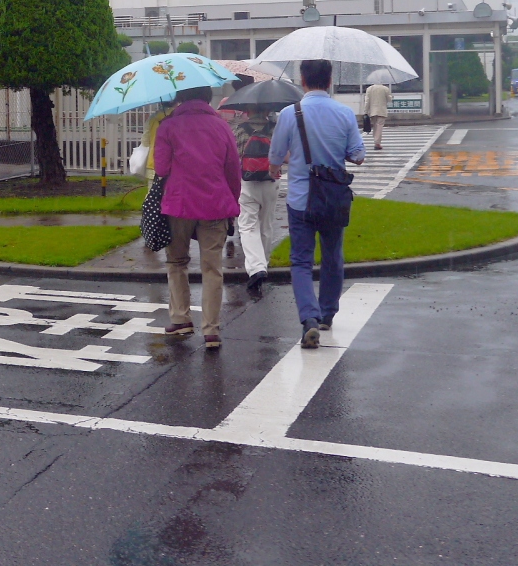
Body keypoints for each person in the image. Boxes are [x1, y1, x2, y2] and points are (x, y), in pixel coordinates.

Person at [269, 59, 365, 349]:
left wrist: (281, 167)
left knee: (300, 260)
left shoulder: (289, 114)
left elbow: (275, 157)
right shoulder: (344, 113)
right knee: (333, 255)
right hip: (334, 198)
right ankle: (326, 314)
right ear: (330, 79)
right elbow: (358, 155)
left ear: (302, 79)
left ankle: (308, 318)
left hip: (300, 199)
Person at [154, 85, 241, 350]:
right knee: (212, 268)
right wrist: (232, 203)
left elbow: (161, 168)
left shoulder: (168, 126)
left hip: (179, 203)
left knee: (177, 261)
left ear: (180, 96)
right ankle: (211, 331)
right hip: (215, 203)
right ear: (207, 96)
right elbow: (233, 169)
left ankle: (181, 318)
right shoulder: (221, 126)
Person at [232, 107, 280, 298]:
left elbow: (235, 157)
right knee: (266, 224)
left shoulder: (240, 129)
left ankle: (256, 267)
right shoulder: (275, 128)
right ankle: (264, 263)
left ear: (248, 110)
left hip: (247, 182)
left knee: (247, 225)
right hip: (271, 180)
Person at [364, 80, 392, 150]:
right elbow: (389, 99)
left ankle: (376, 142)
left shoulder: (369, 89)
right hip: (382, 110)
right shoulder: (385, 88)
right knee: (379, 126)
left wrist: (365, 111)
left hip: (372, 111)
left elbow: (367, 101)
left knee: (375, 126)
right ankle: (377, 143)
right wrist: (390, 96)